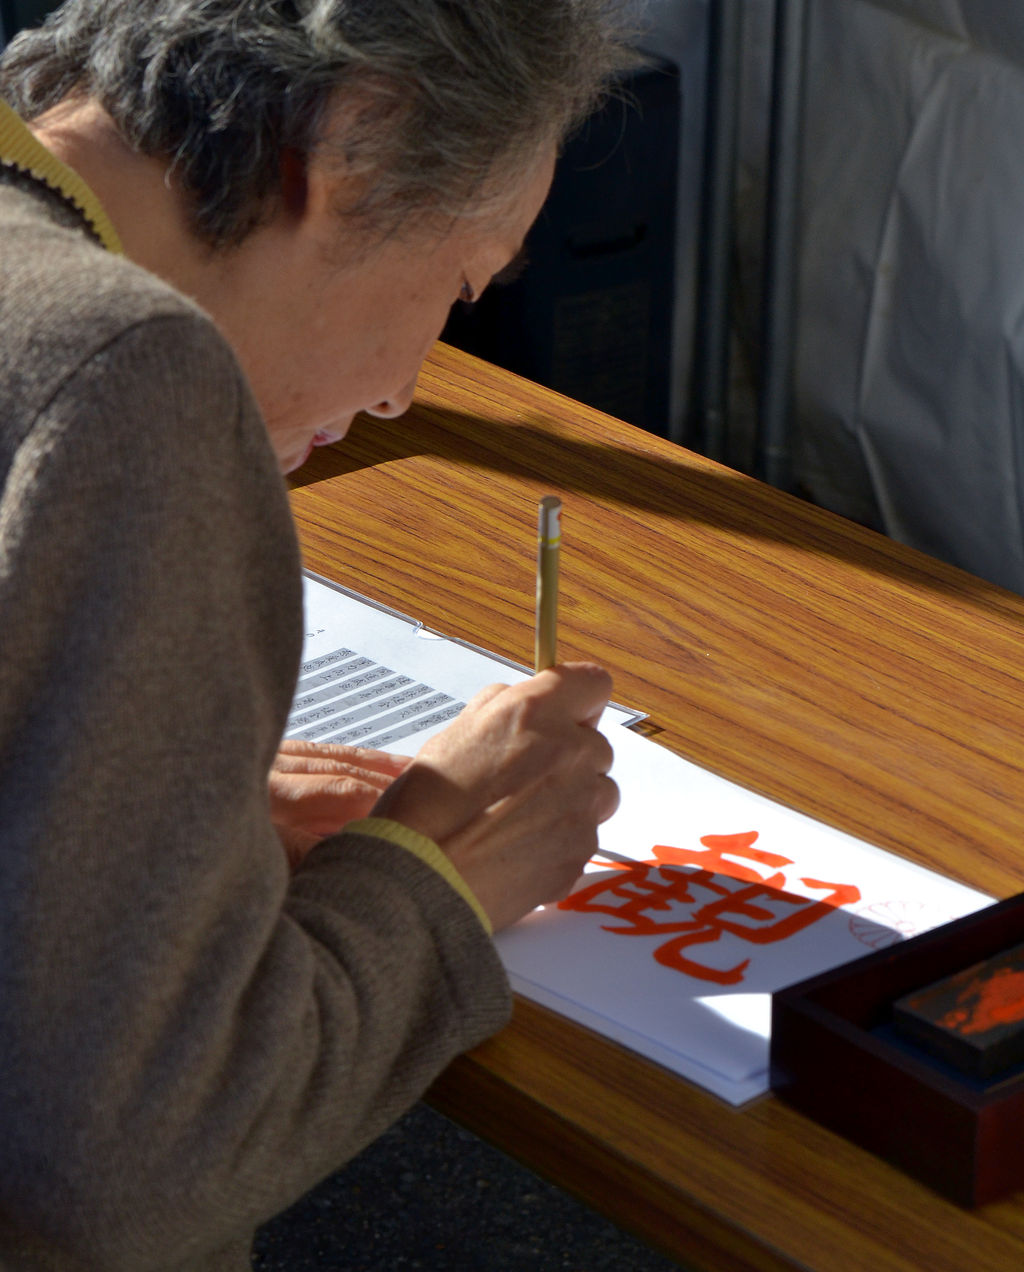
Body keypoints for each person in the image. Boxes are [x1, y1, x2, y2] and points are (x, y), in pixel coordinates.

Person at [0, 1, 638, 1267]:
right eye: (462, 285)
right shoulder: (128, 371)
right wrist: (435, 881)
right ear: (356, 136)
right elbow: (133, 1163)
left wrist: (159, 809)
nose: (407, 385)